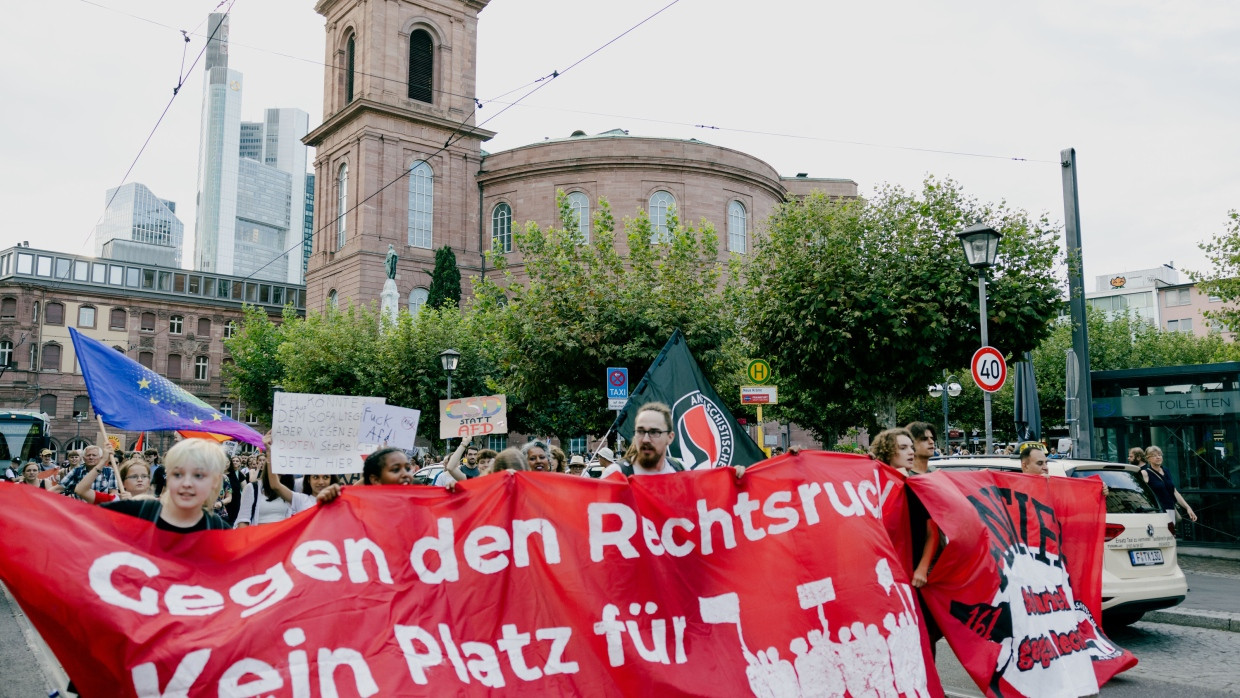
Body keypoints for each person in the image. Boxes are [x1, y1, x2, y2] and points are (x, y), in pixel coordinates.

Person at [102, 439, 232, 532]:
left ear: (215, 481)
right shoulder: (133, 512)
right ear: (168, 477)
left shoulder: (220, 531)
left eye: (198, 475)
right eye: (177, 474)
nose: (186, 484)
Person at [605, 402, 745, 478]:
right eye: (641, 431)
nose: (646, 439)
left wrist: (732, 479)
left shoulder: (680, 469)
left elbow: (704, 503)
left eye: (654, 432)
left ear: (670, 437)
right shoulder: (616, 473)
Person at [1140, 446, 1198, 525]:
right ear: (1148, 458)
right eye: (1154, 455)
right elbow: (1141, 494)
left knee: (1170, 535)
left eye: (1159, 455)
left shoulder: (1166, 470)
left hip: (1170, 509)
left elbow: (1174, 491)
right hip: (1157, 511)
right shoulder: (1145, 473)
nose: (1158, 457)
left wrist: (1188, 508)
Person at [76, 457, 154, 504]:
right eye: (134, 476)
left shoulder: (157, 503)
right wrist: (103, 461)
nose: (140, 480)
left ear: (149, 480)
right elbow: (81, 490)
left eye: (144, 476)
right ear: (123, 482)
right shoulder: (113, 500)